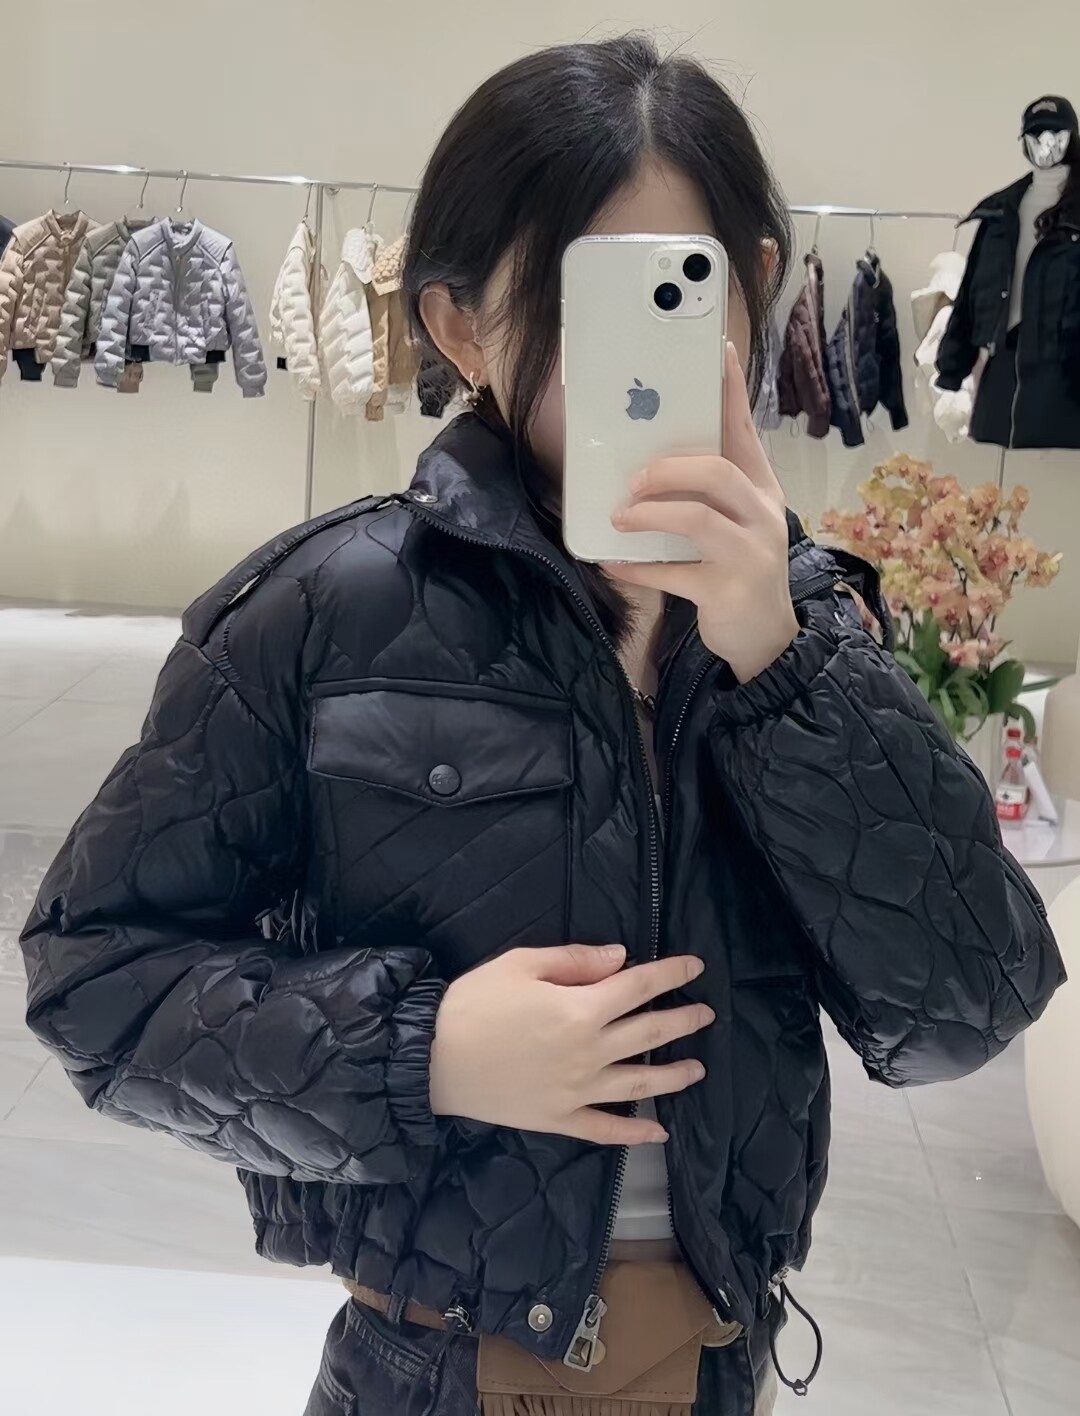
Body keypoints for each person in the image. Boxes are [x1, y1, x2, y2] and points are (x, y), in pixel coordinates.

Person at [20, 33, 1063, 1416]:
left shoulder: (811, 633)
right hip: (426, 1366)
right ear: (462, 328)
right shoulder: (324, 611)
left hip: (718, 1362)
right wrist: (425, 1047)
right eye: (578, 302)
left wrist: (781, 657)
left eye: (676, 294)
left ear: (751, 291)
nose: (631, 364)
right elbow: (92, 980)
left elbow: (967, 1010)